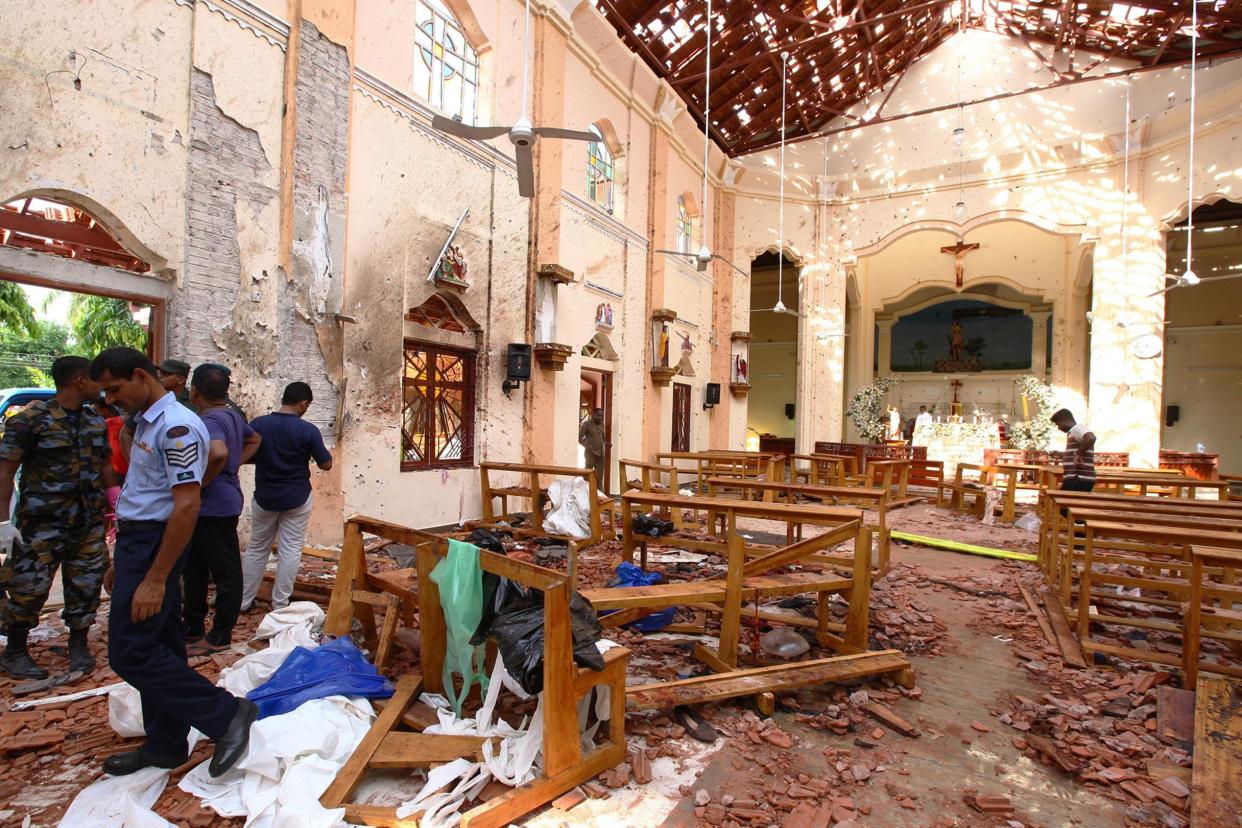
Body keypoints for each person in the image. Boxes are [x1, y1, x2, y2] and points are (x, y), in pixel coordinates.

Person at [89, 347, 255, 777]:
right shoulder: (149, 422)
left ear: (142, 376)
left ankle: (225, 714)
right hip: (137, 543)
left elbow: (185, 506)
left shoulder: (178, 427)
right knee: (161, 646)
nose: (111, 398)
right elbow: (145, 492)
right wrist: (121, 560)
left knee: (129, 652)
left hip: (154, 545)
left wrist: (155, 578)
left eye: (115, 388)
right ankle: (165, 744)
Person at [0, 357, 120, 679]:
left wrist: (116, 503)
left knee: (87, 583)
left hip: (87, 521)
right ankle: (14, 651)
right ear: (81, 381)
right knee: (28, 587)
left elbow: (105, 465)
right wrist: (2, 523)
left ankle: (78, 645)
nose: (102, 386)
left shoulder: (95, 420)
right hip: (41, 524)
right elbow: (5, 471)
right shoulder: (30, 421)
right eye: (97, 379)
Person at [183, 364, 260, 651]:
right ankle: (192, 626)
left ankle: (219, 635)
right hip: (220, 501)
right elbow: (255, 439)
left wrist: (200, 483)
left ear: (194, 392)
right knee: (195, 568)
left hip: (212, 504)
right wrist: (233, 465)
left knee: (222, 571)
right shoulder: (231, 415)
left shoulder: (211, 419)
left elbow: (218, 453)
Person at [239, 382, 332, 612]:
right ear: (303, 403)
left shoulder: (259, 424)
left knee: (257, 548)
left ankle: (243, 600)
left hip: (265, 496)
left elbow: (246, 455)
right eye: (307, 405)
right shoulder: (307, 430)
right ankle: (280, 604)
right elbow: (326, 464)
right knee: (290, 550)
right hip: (296, 497)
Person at [1051, 408, 1096, 492]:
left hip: (1077, 478)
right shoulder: (1073, 432)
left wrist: (1078, 455)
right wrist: (1058, 454)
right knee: (1065, 503)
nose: (1058, 428)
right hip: (1077, 478)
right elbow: (1073, 454)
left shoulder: (1077, 429)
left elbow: (1091, 438)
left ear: (1064, 421)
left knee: (1062, 502)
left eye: (1058, 424)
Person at [579, 408, 606, 493]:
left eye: (602, 416)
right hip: (590, 453)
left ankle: (599, 495)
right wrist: (587, 446)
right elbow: (579, 437)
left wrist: (606, 443)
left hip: (600, 454)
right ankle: (585, 493)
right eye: (599, 415)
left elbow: (603, 438)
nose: (601, 418)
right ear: (594, 415)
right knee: (588, 474)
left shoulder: (602, 424)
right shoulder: (587, 424)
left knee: (600, 476)